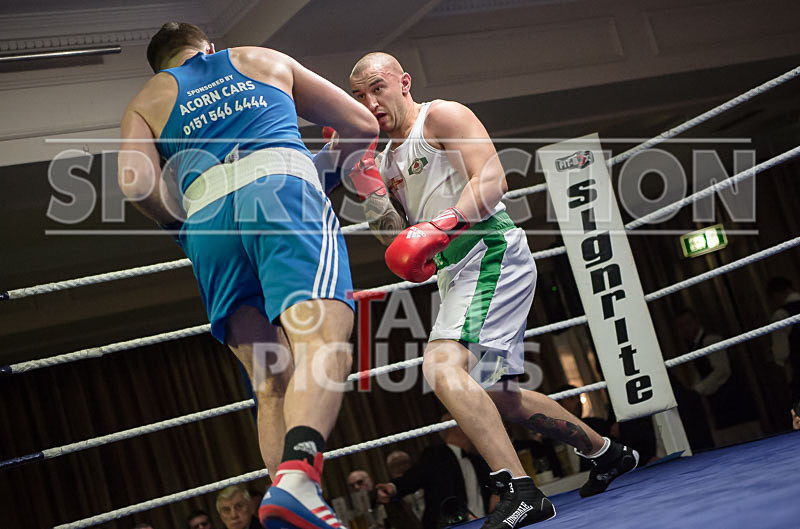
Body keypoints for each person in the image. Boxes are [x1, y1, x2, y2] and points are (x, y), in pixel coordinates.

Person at [349, 52, 638, 528]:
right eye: (360, 96)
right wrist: (365, 184)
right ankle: (605, 452)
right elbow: (397, 237)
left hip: (489, 250)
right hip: (453, 266)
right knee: (499, 394)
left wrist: (442, 223)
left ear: (403, 82)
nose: (370, 102)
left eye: (377, 88)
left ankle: (520, 490)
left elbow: (492, 178)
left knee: (441, 367)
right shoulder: (382, 157)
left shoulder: (440, 115)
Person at [119, 22, 379, 529]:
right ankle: (300, 481)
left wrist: (185, 222)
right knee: (323, 343)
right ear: (208, 47)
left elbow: (135, 185)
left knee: (270, 383)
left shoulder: (147, 98)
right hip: (280, 193)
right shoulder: (259, 58)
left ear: (163, 66)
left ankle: (290, 505)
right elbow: (363, 125)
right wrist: (319, 172)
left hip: (210, 226)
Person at [376, 415, 494, 529]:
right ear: (456, 429)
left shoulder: (477, 460)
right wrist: (392, 488)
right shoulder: (435, 456)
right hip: (450, 524)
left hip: (484, 523)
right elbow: (413, 477)